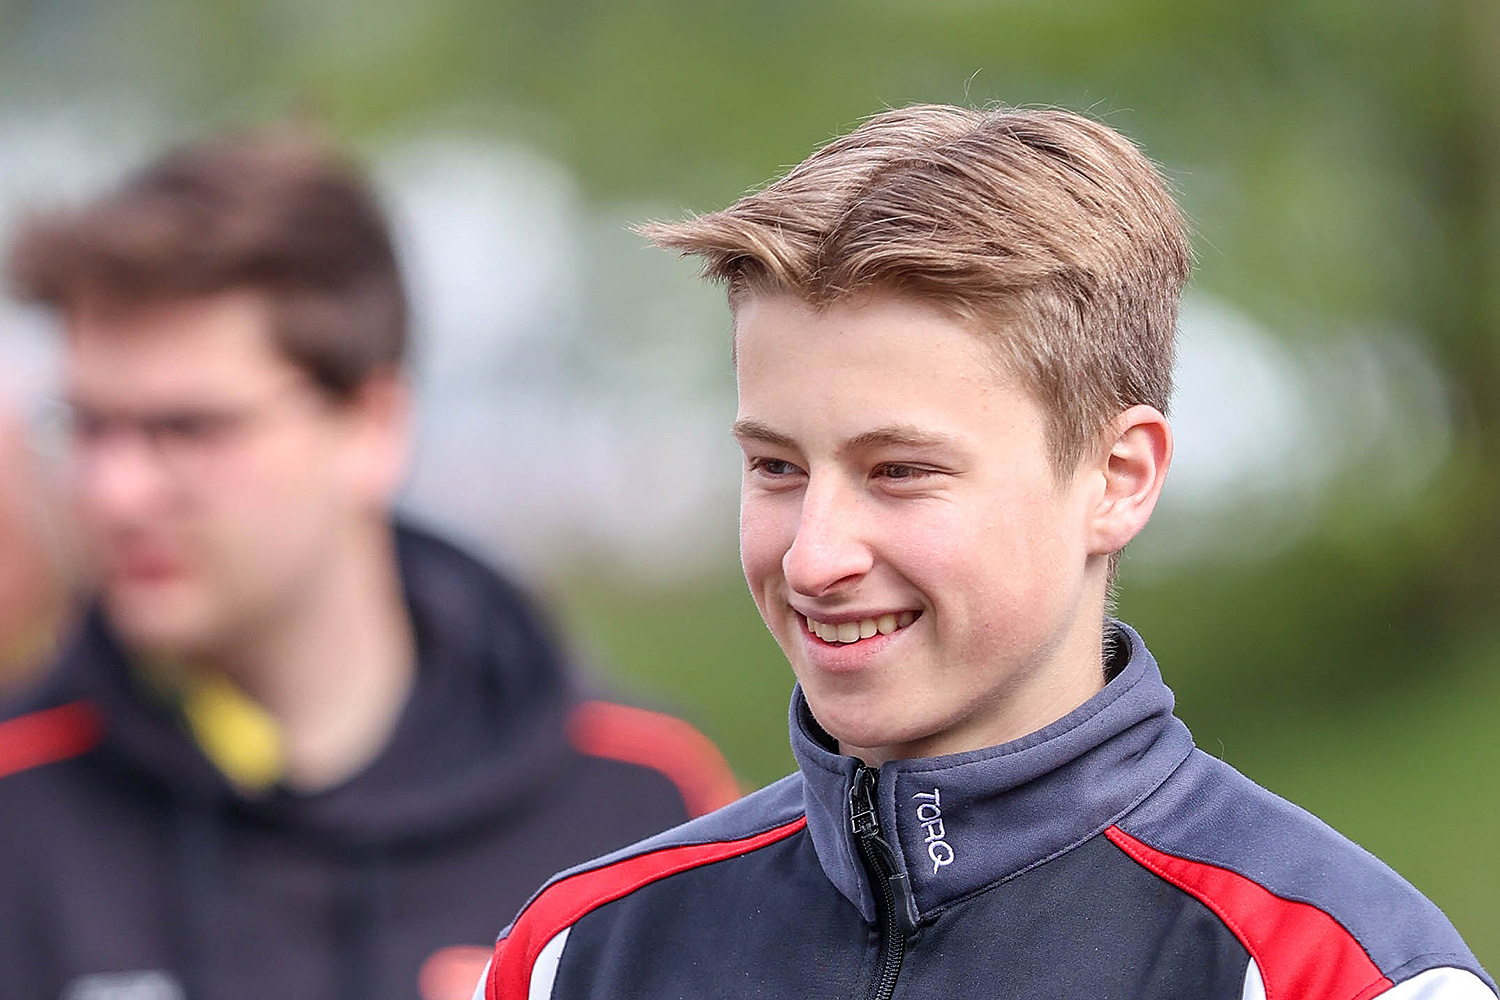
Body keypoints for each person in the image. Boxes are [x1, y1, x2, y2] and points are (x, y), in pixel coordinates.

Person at [480, 105, 1495, 1000]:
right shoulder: (577, 954)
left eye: (901, 471)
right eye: (778, 468)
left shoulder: (1341, 976)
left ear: (1119, 476)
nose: (814, 556)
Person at [0, 129, 739, 1000]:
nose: (115, 491)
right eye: (88, 428)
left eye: (189, 429)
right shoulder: (18, 810)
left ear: (370, 424)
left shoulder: (642, 798)